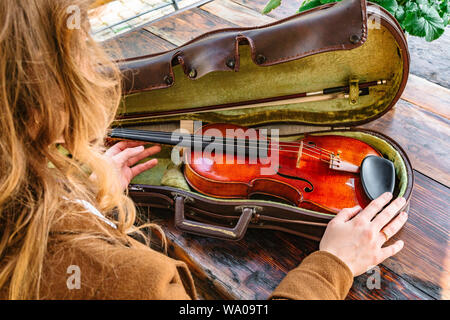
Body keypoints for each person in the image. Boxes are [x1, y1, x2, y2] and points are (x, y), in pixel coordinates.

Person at [0, 0, 408, 300]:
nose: (98, 73)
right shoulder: (132, 281)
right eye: (81, 53)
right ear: (38, 106)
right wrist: (331, 267)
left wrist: (89, 208)